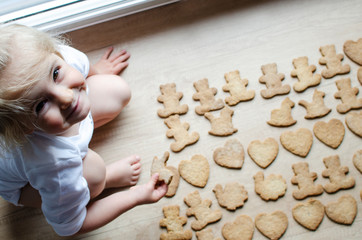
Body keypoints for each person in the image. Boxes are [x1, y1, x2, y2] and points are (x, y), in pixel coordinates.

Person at [0, 24, 168, 236]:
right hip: (25, 186)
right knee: (94, 171)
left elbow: (78, 66)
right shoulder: (53, 165)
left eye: (55, 74)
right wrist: (134, 197)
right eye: (40, 105)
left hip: (48, 135)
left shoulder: (42, 60)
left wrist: (95, 71)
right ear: (24, 128)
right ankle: (105, 179)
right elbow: (71, 226)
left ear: (56, 54)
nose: (66, 98)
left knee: (118, 90)